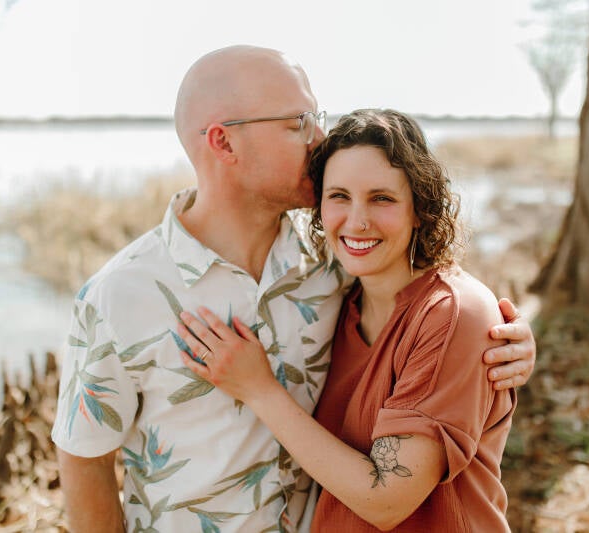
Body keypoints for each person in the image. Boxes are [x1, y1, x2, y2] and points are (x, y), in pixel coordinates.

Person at [52, 46, 535, 533]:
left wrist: (501, 338)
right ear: (223, 142)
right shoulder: (120, 295)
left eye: (316, 118)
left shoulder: (330, 259)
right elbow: (85, 457)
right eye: (298, 122)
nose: (319, 139)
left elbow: (428, 295)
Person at [177, 109, 517, 532]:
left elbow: (387, 501)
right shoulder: (337, 301)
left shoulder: (450, 313)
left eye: (382, 198)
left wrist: (259, 390)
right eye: (339, 196)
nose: (357, 221)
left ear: (419, 208)